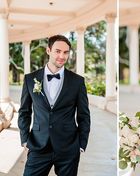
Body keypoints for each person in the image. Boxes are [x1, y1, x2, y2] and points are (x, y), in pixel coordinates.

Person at [18, 35, 90, 176]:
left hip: (68, 148)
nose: (62, 56)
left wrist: (81, 144)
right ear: (48, 50)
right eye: (58, 51)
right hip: (38, 145)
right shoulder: (30, 79)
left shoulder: (77, 82)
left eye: (66, 52)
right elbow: (24, 112)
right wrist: (24, 139)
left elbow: (84, 115)